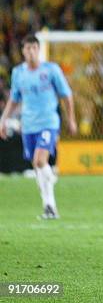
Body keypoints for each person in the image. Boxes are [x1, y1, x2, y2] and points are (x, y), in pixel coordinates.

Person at [0, 35, 77, 219]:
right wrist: (3, 119)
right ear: (23, 51)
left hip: (49, 123)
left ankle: (49, 201)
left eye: (34, 48)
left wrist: (71, 119)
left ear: (39, 49)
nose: (31, 52)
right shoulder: (18, 73)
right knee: (38, 167)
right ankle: (49, 206)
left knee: (39, 161)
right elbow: (14, 99)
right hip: (28, 126)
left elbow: (66, 95)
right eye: (27, 48)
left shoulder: (51, 70)